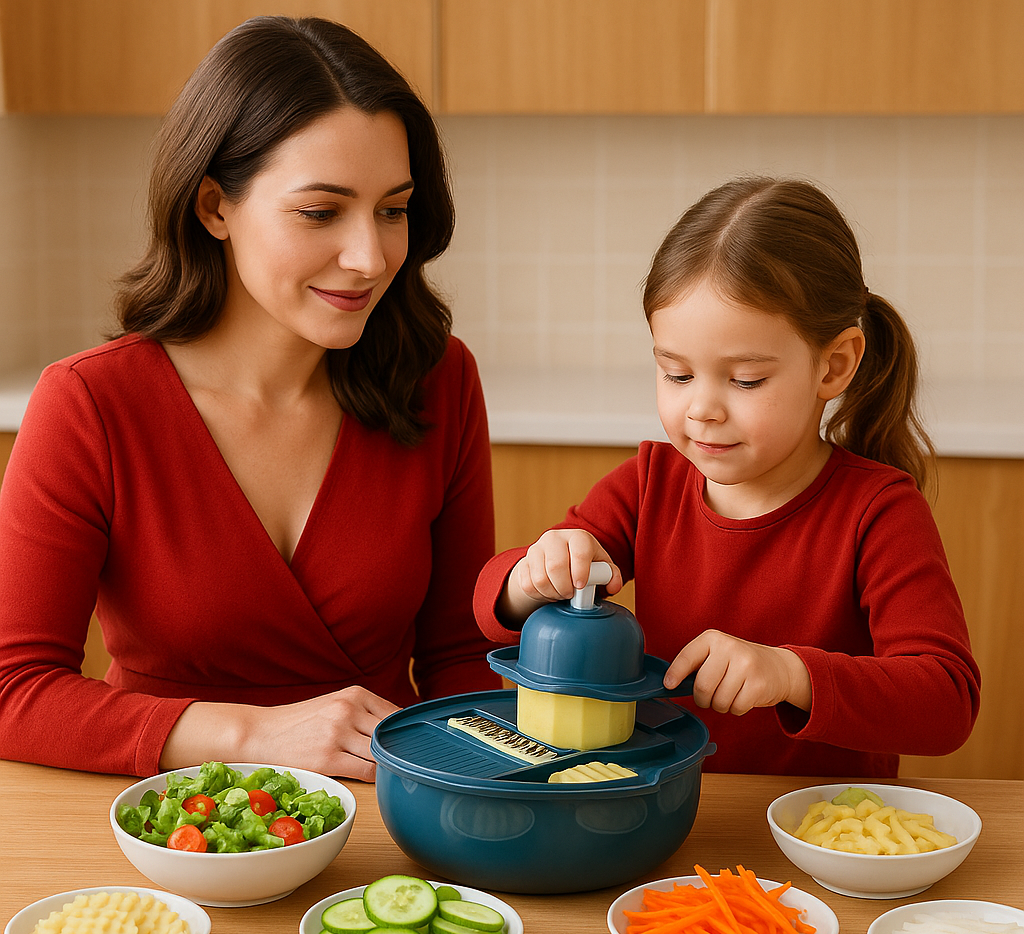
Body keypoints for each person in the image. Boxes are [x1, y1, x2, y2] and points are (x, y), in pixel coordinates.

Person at [0, 16, 500, 781]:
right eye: (321, 211)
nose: (370, 256)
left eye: (393, 209)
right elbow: (14, 693)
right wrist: (251, 738)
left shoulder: (440, 381)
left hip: (383, 821)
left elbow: (460, 659)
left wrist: (472, 798)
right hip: (166, 825)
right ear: (214, 207)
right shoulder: (90, 405)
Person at [474, 177, 980, 777]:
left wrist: (792, 675)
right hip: (667, 815)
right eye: (677, 375)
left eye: (744, 380)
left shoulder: (878, 511)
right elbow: (490, 605)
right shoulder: (648, 484)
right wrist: (533, 576)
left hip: (813, 838)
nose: (702, 410)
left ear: (834, 365)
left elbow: (946, 701)